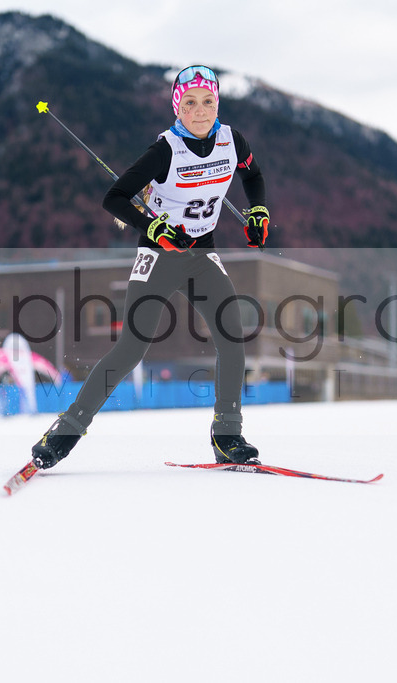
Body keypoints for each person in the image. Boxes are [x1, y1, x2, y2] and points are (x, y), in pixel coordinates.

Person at [30, 65, 270, 470]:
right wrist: (153, 226)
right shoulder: (164, 151)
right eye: (190, 103)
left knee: (232, 337)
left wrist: (258, 211)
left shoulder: (232, 140)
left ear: (218, 103)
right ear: (178, 107)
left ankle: (227, 434)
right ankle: (65, 432)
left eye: (208, 101)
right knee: (130, 350)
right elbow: (115, 197)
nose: (201, 110)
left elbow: (254, 174)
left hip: (202, 254)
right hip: (159, 256)